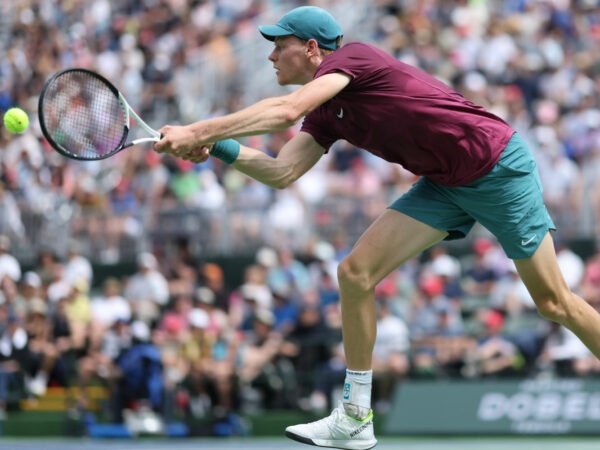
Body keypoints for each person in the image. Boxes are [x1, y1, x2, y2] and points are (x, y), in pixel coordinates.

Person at [154, 6, 600, 450]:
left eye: (280, 46)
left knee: (553, 302)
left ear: (312, 49)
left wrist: (196, 129)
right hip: (445, 182)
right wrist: (216, 146)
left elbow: (287, 111)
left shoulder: (355, 58)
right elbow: (281, 172)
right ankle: (354, 417)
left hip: (495, 166)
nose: (271, 57)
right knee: (354, 274)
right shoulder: (326, 113)